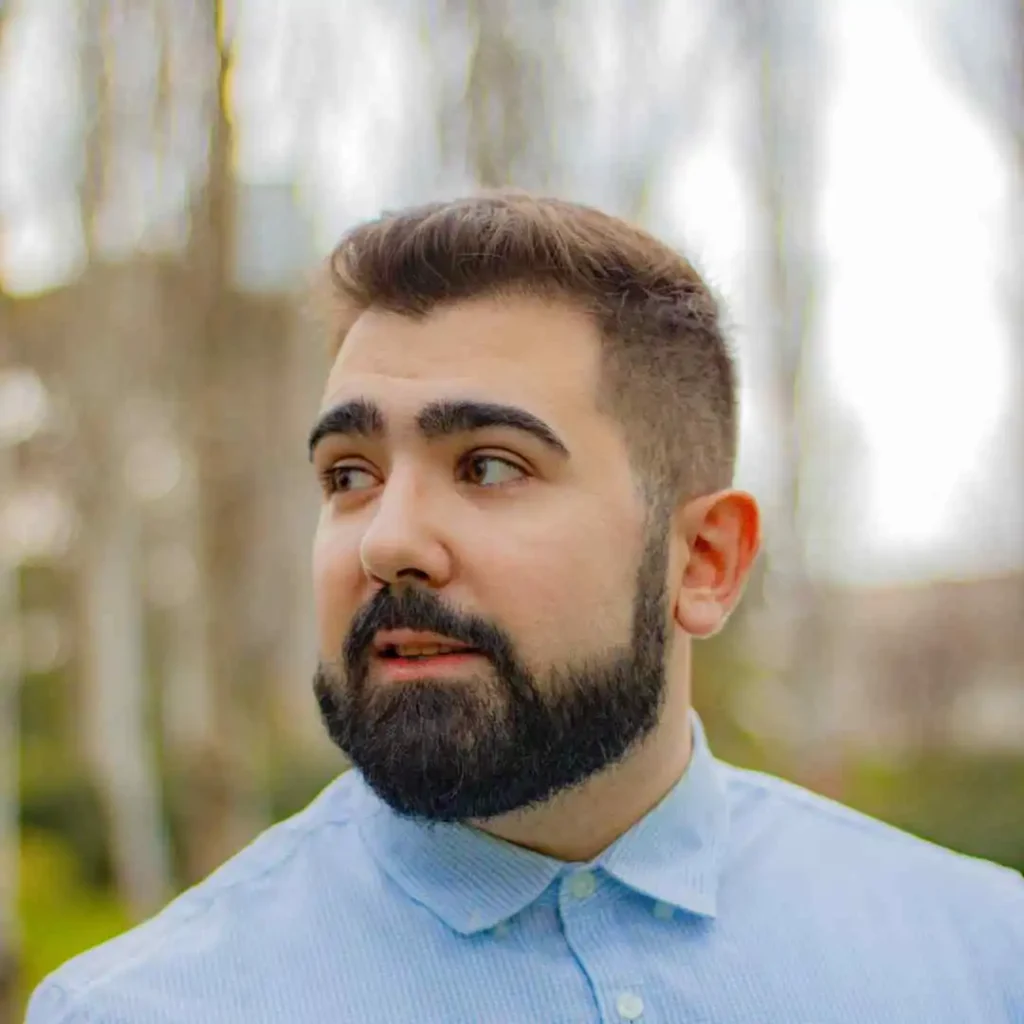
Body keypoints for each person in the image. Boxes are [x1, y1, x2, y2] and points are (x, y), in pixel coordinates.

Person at [28, 193, 1023, 1023]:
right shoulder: (143, 1008)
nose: (387, 540)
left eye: (489, 465)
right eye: (350, 473)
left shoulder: (981, 961)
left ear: (705, 560)